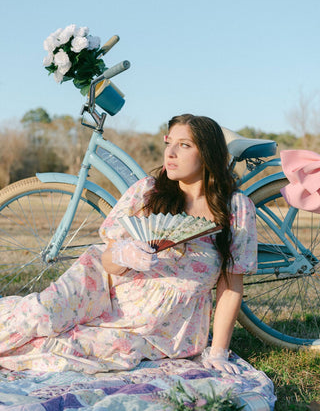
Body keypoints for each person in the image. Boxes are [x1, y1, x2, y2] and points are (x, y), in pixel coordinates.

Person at [0, 114, 257, 375]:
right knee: (39, 314)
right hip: (98, 286)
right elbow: (108, 261)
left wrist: (218, 352)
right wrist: (125, 254)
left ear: (208, 153)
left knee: (60, 350)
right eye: (169, 143)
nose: (171, 153)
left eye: (184, 145)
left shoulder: (235, 208)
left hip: (158, 330)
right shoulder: (148, 192)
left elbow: (231, 284)